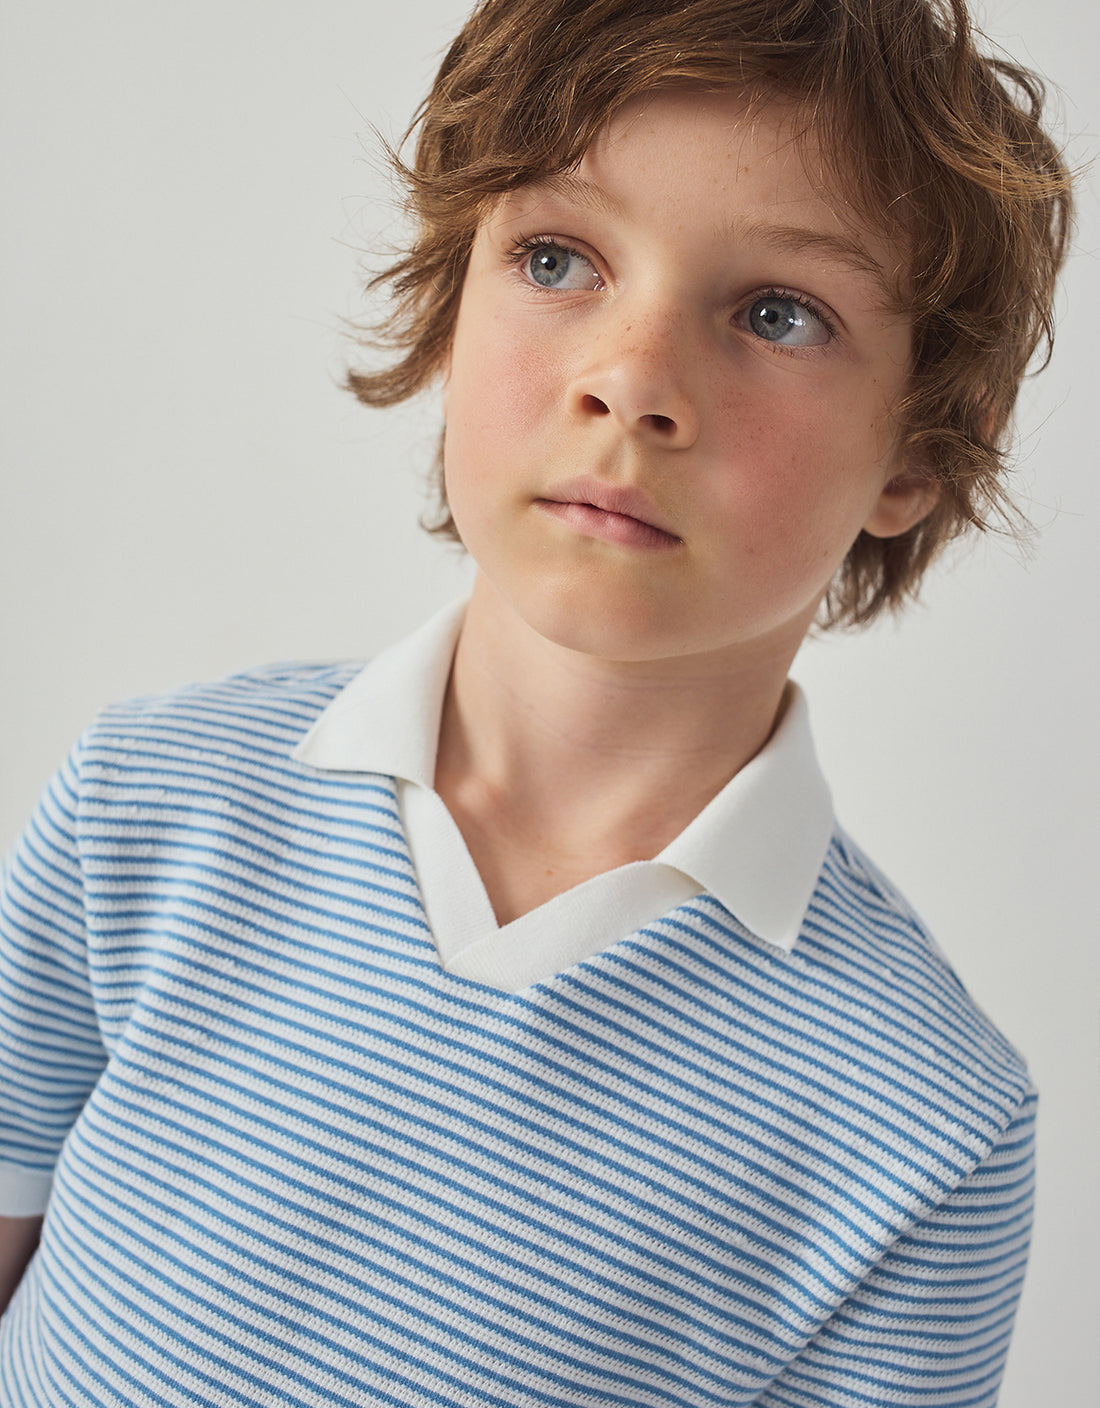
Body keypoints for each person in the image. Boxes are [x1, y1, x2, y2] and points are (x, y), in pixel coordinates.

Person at [0, 0, 1072, 1403]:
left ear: (921, 450)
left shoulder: (925, 1123)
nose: (630, 381)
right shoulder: (148, 800)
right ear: (451, 307)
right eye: (558, 258)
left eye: (776, 313)